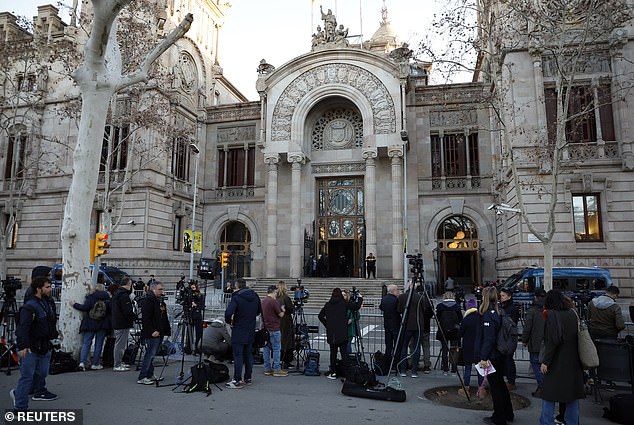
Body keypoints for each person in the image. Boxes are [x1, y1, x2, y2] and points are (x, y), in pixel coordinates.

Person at [11, 277, 58, 411]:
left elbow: (49, 322)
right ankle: (20, 407)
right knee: (27, 377)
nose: (50, 289)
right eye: (47, 287)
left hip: (44, 346)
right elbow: (23, 328)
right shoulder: (29, 306)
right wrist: (23, 346)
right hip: (30, 348)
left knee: (42, 373)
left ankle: (19, 393)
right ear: (39, 289)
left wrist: (55, 335)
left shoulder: (47, 303)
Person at [539, 290, 585, 425]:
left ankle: (546, 422)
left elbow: (552, 341)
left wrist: (546, 362)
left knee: (549, 395)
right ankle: (572, 422)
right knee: (572, 396)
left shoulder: (552, 315)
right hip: (573, 361)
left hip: (556, 362)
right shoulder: (572, 313)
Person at [475, 286, 514, 425]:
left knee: (496, 387)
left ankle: (499, 416)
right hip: (499, 354)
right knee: (500, 385)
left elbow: (489, 338)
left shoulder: (489, 314)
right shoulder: (498, 311)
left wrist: (484, 357)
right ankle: (508, 412)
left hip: (492, 355)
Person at [224, 278, 262, 388]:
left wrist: (229, 321)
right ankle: (248, 377)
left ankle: (237, 379)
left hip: (239, 328)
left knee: (238, 355)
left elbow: (228, 312)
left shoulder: (236, 297)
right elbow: (259, 311)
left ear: (237, 287)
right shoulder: (255, 296)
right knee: (248, 353)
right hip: (250, 328)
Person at [137, 281, 171, 385]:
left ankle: (149, 374)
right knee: (150, 355)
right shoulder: (148, 301)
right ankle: (142, 376)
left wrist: (166, 330)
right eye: (160, 289)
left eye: (162, 289)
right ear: (153, 289)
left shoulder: (159, 301)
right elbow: (146, 319)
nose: (162, 291)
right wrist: (152, 331)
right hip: (152, 332)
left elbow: (163, 317)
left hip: (159, 331)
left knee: (152, 354)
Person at [72, 283, 111, 371]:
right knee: (98, 344)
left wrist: (74, 304)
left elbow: (85, 307)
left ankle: (82, 362)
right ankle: (95, 363)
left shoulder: (91, 297)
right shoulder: (107, 299)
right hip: (102, 324)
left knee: (86, 343)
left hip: (90, 323)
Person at [397, 280, 429, 378]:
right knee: (416, 348)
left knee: (404, 347)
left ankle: (403, 370)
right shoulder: (420, 297)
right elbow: (424, 310)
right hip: (418, 325)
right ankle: (414, 371)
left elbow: (399, 310)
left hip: (406, 325)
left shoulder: (402, 297)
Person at [318, 288, 350, 379]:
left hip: (332, 332)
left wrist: (327, 324)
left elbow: (320, 316)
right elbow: (356, 306)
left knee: (333, 353)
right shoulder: (343, 304)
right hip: (342, 332)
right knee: (344, 353)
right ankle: (347, 373)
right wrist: (359, 298)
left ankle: (333, 372)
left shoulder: (328, 304)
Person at [521, 287, 546, 397]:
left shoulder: (533, 310)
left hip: (536, 343)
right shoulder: (549, 309)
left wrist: (524, 340)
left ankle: (542, 387)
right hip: (547, 343)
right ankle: (545, 386)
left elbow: (527, 327)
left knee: (536, 365)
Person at [261, 285, 287, 377]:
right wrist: (283, 310)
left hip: (266, 328)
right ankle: (277, 368)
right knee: (276, 348)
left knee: (266, 348)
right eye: (276, 292)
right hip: (274, 328)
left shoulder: (263, 301)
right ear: (273, 292)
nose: (276, 294)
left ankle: (267, 368)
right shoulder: (274, 302)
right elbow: (280, 314)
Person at [111, 277, 136, 372]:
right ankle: (117, 364)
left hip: (119, 321)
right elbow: (127, 311)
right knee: (120, 345)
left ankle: (119, 362)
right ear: (129, 284)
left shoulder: (117, 293)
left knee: (120, 344)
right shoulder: (123, 295)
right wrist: (134, 317)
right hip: (122, 323)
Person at [459, 298, 482, 397]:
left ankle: (466, 388)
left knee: (467, 368)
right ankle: (481, 389)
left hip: (468, 347)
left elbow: (460, 333)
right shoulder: (480, 318)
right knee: (479, 369)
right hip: (478, 347)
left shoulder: (466, 319)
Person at [436, 291, 462, 376]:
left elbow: (438, 318)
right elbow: (460, 319)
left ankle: (445, 369)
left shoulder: (440, 306)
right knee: (454, 349)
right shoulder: (457, 306)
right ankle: (454, 369)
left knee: (444, 349)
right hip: (454, 330)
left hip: (443, 330)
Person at [499, 287, 520, 390]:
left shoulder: (512, 309)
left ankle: (511, 381)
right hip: (502, 337)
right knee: (503, 359)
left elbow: (512, 324)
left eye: (503, 295)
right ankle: (506, 378)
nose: (501, 297)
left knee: (509, 359)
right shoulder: (501, 307)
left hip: (509, 337)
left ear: (509, 296)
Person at [379, 284, 400, 362]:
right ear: (393, 291)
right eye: (397, 290)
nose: (398, 291)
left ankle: (388, 361)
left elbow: (381, 307)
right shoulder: (396, 299)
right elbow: (399, 309)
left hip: (387, 323)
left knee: (388, 344)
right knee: (397, 344)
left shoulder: (384, 299)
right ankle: (396, 361)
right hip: (395, 323)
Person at [276, 281, 295, 368]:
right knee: (287, 339)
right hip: (286, 320)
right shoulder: (285, 298)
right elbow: (290, 309)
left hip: (278, 320)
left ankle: (280, 359)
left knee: (280, 339)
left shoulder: (276, 298)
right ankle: (286, 360)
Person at [189, 280, 205, 353]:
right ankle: (189, 347)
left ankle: (197, 348)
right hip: (190, 315)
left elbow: (202, 306)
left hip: (197, 316)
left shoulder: (200, 295)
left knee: (199, 333)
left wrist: (196, 306)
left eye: (194, 286)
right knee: (189, 332)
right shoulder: (189, 294)